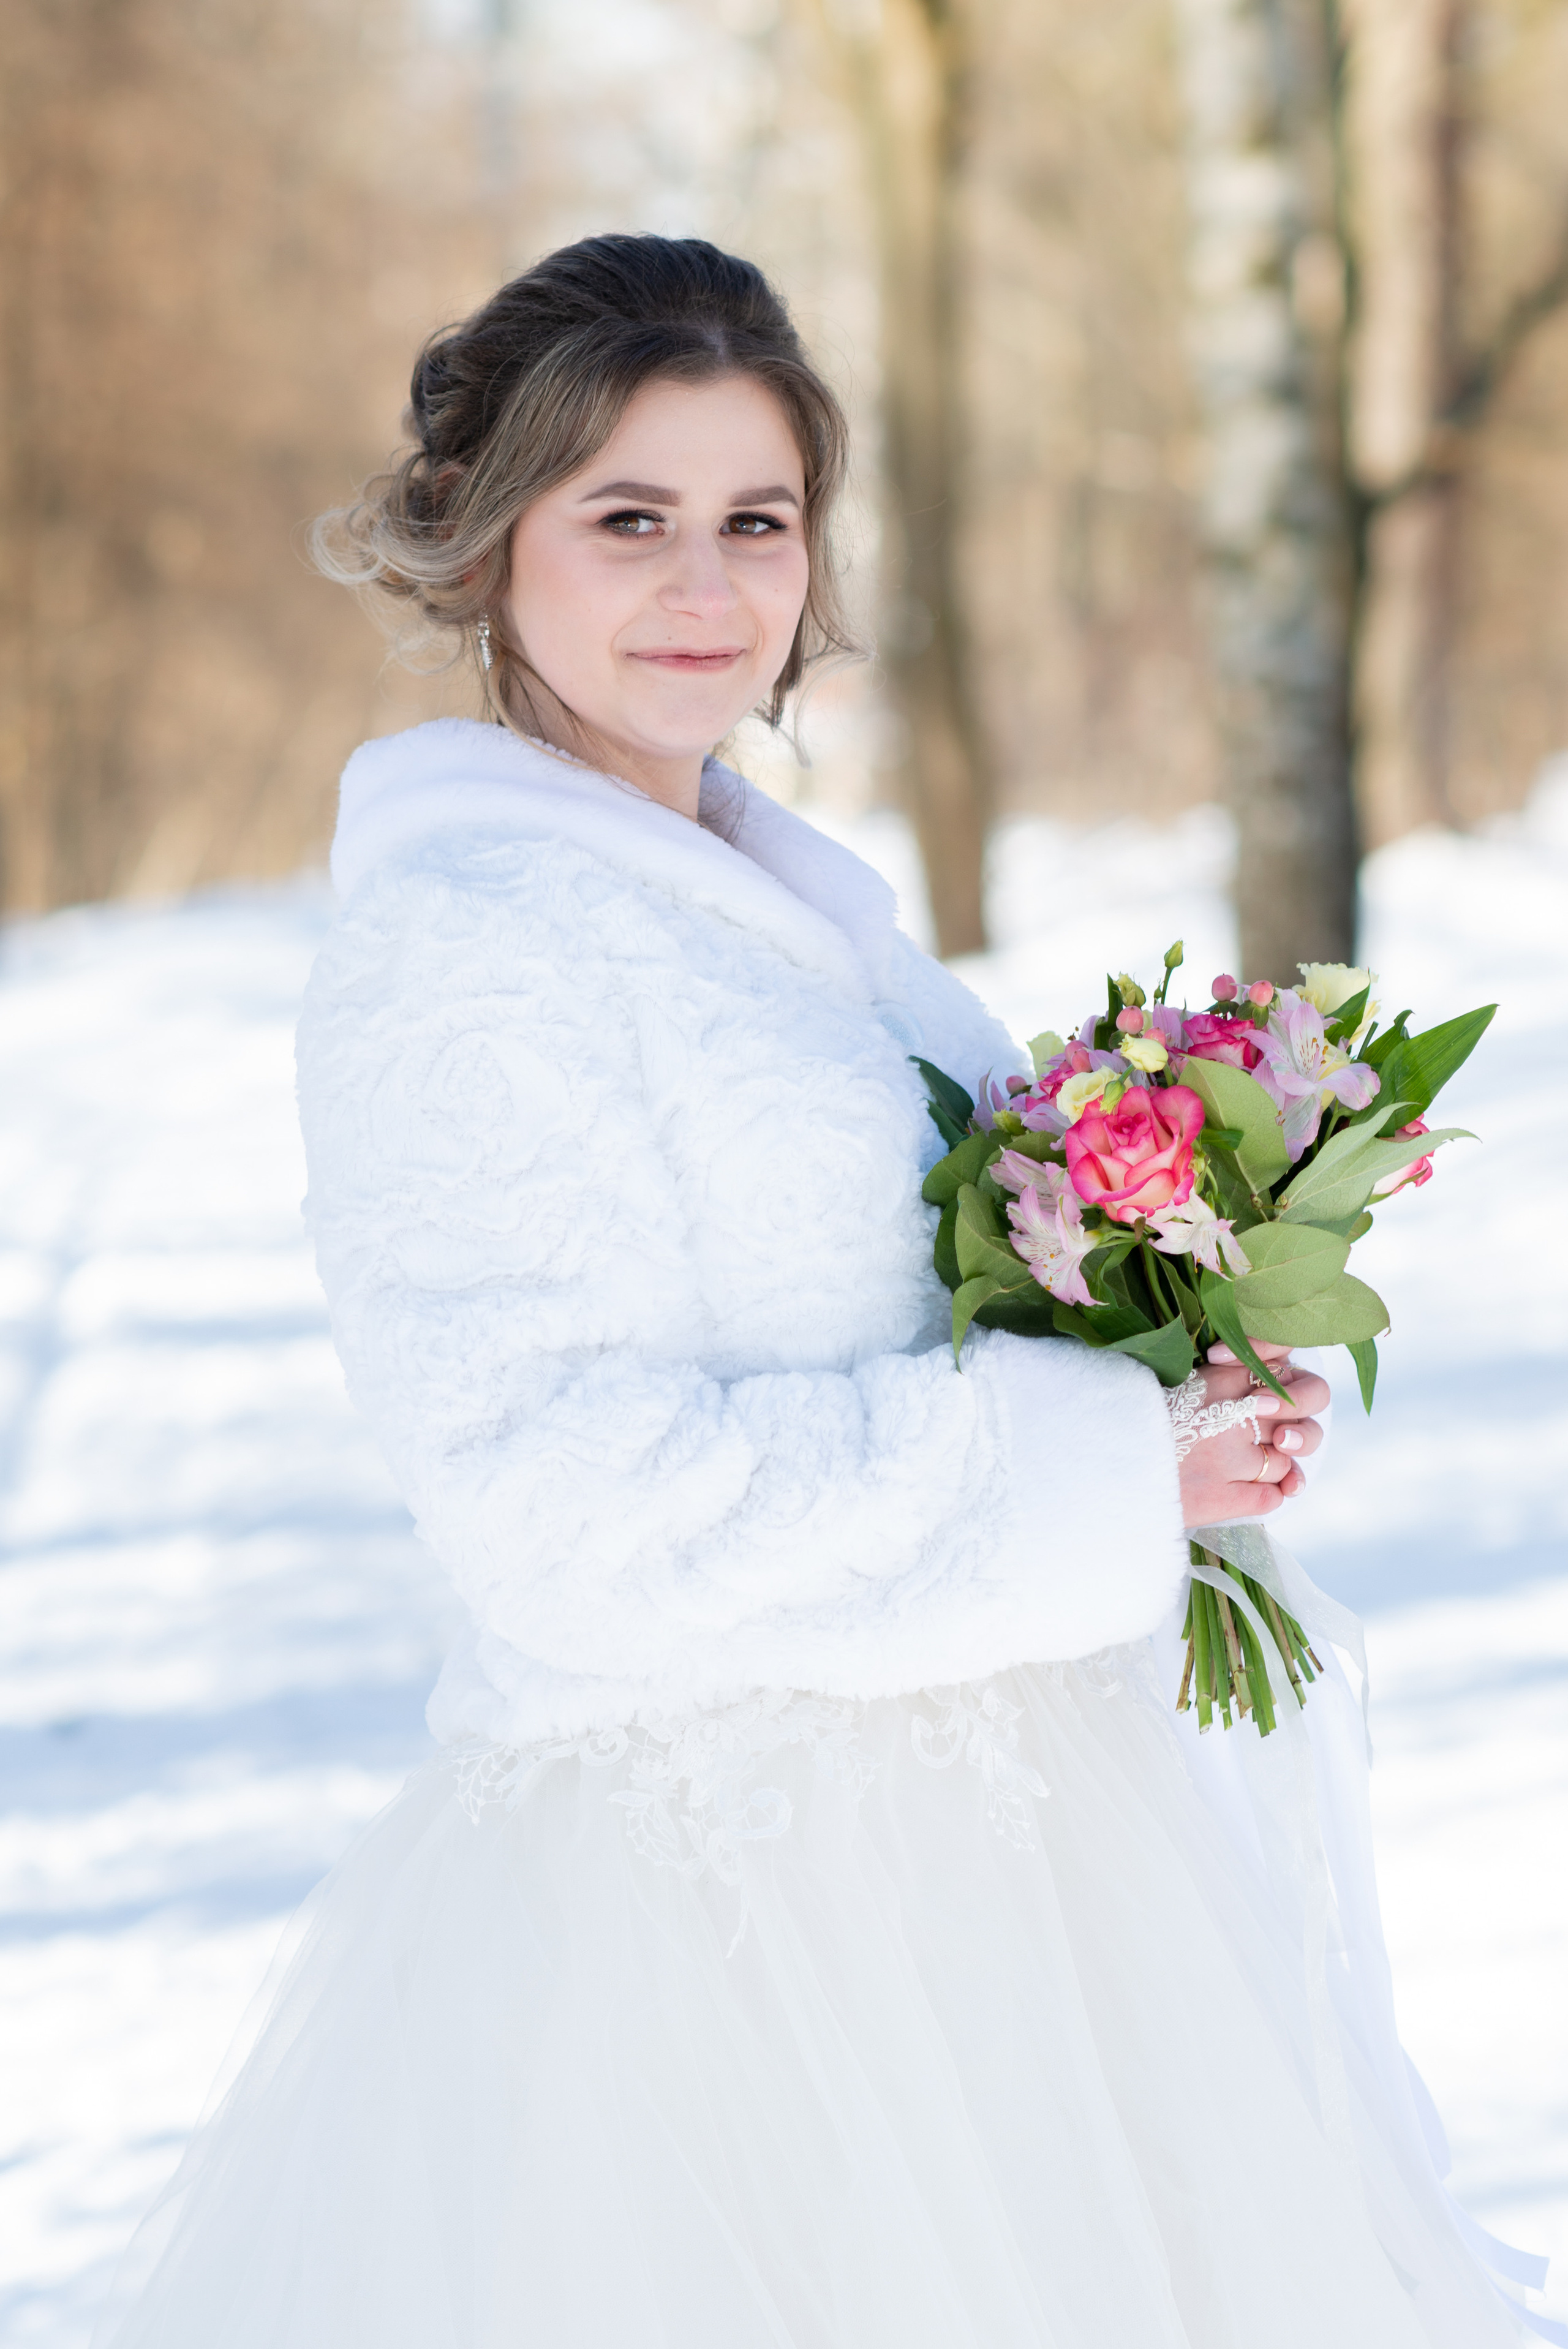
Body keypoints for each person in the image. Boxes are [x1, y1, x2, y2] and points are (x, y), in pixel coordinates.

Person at [94, 234, 1536, 2348]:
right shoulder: (475, 948)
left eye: (755, 521)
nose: (707, 584)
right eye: (631, 520)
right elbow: (557, 1506)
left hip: (1014, 1890)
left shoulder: (783, 913)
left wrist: (1149, 1328)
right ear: (490, 547)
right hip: (721, 1954)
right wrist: (1093, 1467)